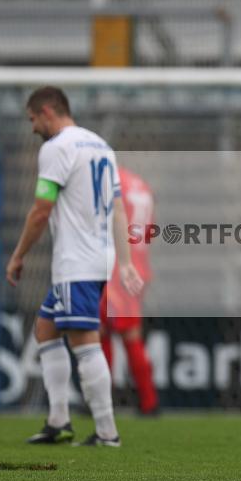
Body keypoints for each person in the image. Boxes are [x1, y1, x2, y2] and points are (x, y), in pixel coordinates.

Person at [6, 86, 142, 447]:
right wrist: (124, 262)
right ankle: (59, 421)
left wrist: (18, 254)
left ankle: (107, 431)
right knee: (46, 330)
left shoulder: (57, 148)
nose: (33, 127)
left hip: (76, 261)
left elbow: (41, 209)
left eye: (33, 119)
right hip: (98, 258)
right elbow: (117, 208)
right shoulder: (100, 145)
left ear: (48, 111)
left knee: (85, 342)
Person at [98, 167, 159, 415]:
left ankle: (103, 401)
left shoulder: (112, 182)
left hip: (117, 268)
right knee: (130, 333)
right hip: (139, 265)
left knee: (101, 330)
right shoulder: (140, 183)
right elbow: (148, 231)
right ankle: (148, 402)